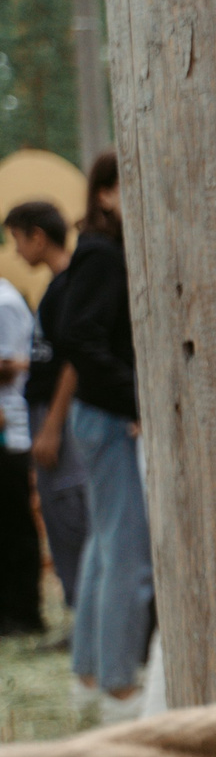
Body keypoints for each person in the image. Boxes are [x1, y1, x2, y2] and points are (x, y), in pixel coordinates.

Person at [52, 152, 150, 705]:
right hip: (110, 419)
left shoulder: (98, 252)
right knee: (128, 555)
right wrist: (137, 399)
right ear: (107, 193)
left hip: (101, 415)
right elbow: (79, 339)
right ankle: (118, 685)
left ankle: (88, 674)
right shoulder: (101, 256)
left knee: (104, 545)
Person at [4, 199, 84, 633]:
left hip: (60, 420)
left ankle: (86, 623)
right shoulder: (54, 288)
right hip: (46, 414)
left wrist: (52, 426)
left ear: (37, 236)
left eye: (17, 239)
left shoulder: (70, 285)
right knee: (56, 515)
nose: (16, 252)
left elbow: (73, 359)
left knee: (71, 515)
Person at [0, 271, 39, 635]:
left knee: (15, 526)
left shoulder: (5, 303)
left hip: (10, 430)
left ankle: (25, 614)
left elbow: (13, 364)